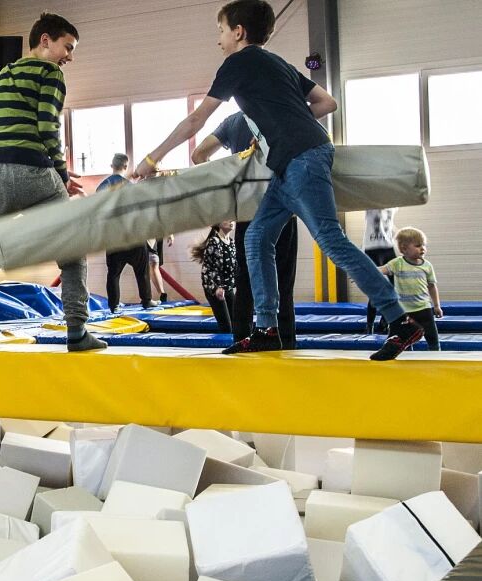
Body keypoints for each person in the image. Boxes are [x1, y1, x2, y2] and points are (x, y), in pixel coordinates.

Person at [131, 0, 422, 360]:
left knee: (331, 240)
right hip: (289, 163)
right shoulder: (279, 63)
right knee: (256, 238)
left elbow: (196, 121)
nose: (219, 39)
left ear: (238, 32)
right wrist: (282, 123)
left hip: (302, 158)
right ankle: (267, 329)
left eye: (221, 31)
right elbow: (326, 103)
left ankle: (401, 320)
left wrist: (152, 159)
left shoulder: (237, 63)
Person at [0, 13, 105, 353]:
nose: (69, 56)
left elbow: (1, 124)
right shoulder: (50, 73)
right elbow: (47, 127)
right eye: (68, 47)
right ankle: (77, 332)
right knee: (71, 249)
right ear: (45, 40)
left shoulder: (5, 72)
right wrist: (62, 174)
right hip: (30, 169)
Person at [192, 112, 299, 349]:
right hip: (281, 207)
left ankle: (242, 339)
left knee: (245, 282)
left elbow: (198, 155)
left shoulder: (234, 122)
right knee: (283, 282)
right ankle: (286, 343)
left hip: (248, 210)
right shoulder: (279, 111)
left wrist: (229, 180)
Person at [99, 154, 154, 311]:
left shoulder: (102, 187)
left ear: (112, 166)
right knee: (142, 270)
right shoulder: (131, 187)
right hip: (132, 235)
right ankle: (146, 300)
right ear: (125, 167)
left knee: (113, 274)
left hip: (113, 237)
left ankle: (114, 305)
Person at [379, 227, 442, 351]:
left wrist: (436, 306)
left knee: (432, 337)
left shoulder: (427, 266)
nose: (422, 248)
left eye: (423, 245)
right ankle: (403, 355)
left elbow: (432, 286)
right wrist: (363, 272)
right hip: (403, 311)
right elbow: (382, 270)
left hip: (423, 308)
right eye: (418, 245)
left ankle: (436, 353)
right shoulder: (397, 263)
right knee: (401, 338)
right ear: (404, 249)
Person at [191, 221, 238, 333]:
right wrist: (215, 289)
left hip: (227, 289)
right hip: (214, 290)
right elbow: (206, 271)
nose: (231, 221)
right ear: (219, 223)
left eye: (232, 219)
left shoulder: (231, 243)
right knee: (227, 327)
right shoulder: (214, 242)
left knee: (236, 325)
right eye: (227, 219)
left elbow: (234, 269)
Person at [362, 208, 398, 334]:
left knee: (396, 288)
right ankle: (370, 325)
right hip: (372, 248)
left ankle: (385, 321)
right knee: (376, 290)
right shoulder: (371, 207)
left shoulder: (393, 206)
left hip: (388, 247)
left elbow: (389, 224)